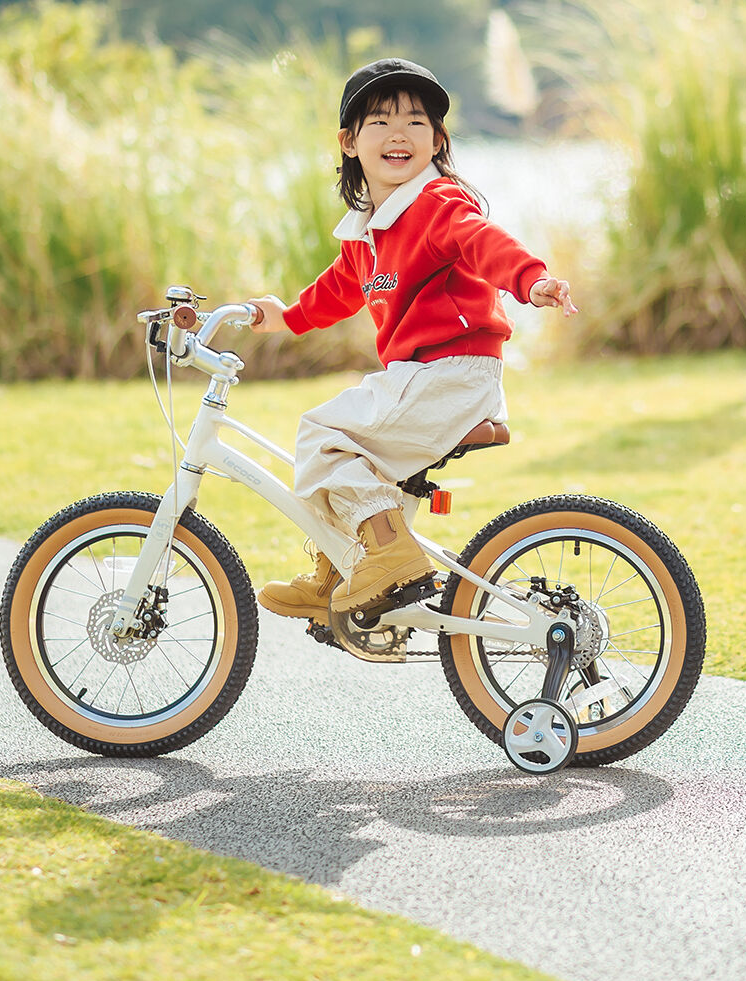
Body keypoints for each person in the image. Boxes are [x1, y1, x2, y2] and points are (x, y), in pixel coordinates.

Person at [245, 58, 577, 621]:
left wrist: (531, 279)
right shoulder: (367, 232)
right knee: (350, 455)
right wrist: (285, 317)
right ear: (349, 142)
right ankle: (344, 568)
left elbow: (483, 242)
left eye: (415, 122)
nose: (399, 133)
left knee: (322, 434)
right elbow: (336, 291)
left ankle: (390, 556)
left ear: (437, 140)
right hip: (423, 378)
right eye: (380, 121)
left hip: (452, 372)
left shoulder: (437, 205)